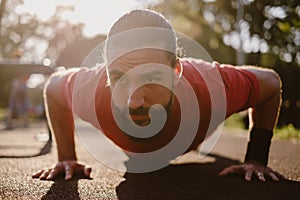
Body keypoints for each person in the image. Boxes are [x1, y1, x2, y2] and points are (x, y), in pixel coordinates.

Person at [32, 9, 285, 182]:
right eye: (119, 77)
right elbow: (54, 87)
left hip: (192, 135)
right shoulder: (90, 88)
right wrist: (66, 157)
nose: (133, 101)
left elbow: (270, 84)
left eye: (150, 78)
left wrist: (256, 158)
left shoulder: (211, 86)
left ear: (176, 70)